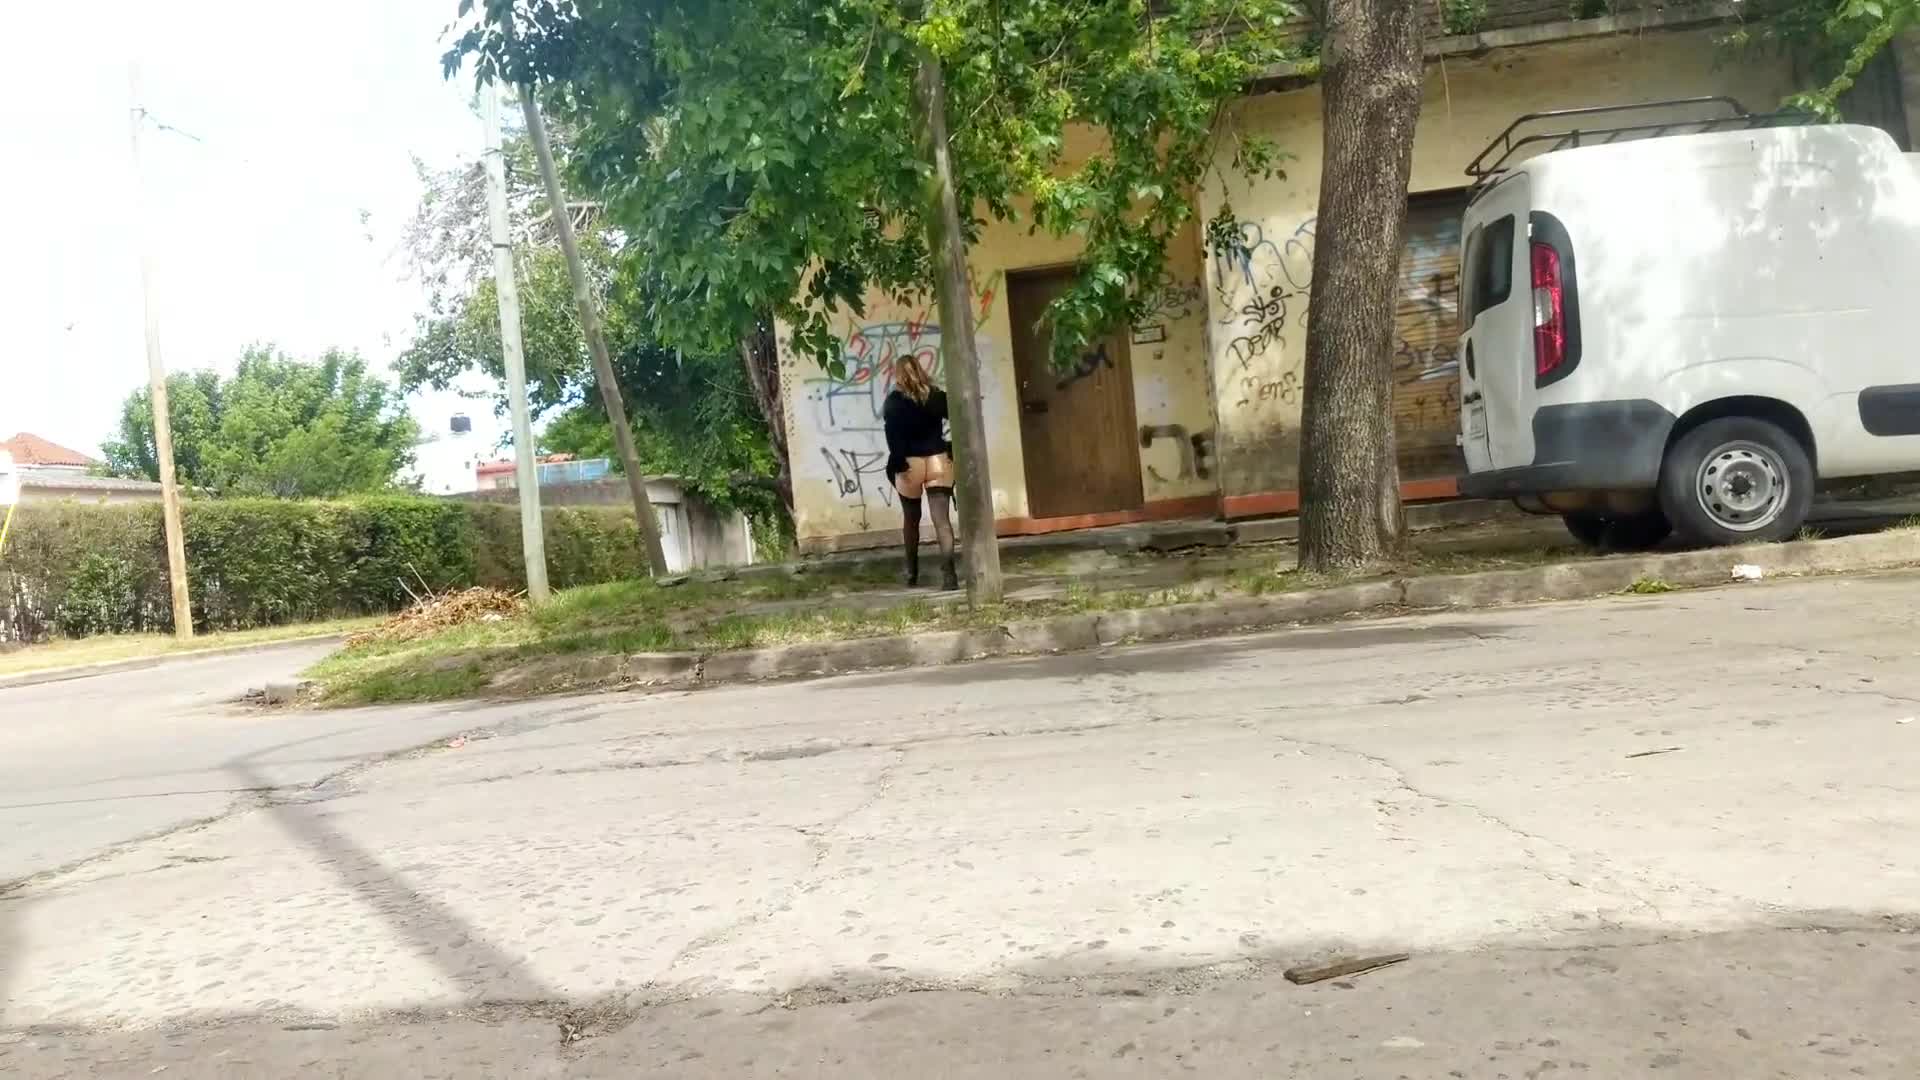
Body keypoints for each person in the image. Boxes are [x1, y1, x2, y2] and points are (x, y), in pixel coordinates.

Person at [883, 355, 959, 591]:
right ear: (919, 370)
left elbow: (892, 437)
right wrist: (951, 446)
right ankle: (950, 576)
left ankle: (911, 574)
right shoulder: (935, 395)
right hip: (939, 460)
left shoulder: (894, 402)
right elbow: (959, 417)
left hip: (910, 464)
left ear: (898, 374)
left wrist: (897, 463)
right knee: (942, 521)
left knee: (911, 520)